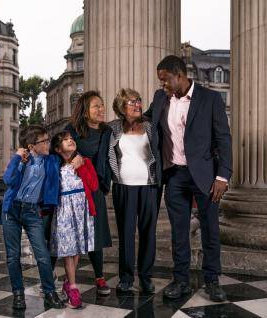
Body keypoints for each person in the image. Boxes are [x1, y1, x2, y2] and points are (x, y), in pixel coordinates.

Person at [144, 55, 232, 302]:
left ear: (179, 75)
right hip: (174, 175)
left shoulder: (210, 99)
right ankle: (180, 280)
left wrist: (223, 175)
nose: (162, 86)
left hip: (205, 175)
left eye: (165, 80)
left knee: (210, 229)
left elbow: (224, 139)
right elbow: (146, 119)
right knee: (179, 231)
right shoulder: (161, 98)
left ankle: (212, 280)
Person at [2, 124, 65, 310]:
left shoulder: (51, 160)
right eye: (44, 141)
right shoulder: (23, 160)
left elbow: (67, 155)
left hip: (32, 211)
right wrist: (17, 159)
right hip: (11, 210)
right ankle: (18, 294)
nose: (48, 143)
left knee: (43, 255)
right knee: (13, 256)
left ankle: (50, 293)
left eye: (47, 139)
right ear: (31, 146)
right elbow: (8, 180)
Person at [108, 88, 160, 294]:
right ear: (122, 107)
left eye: (138, 100)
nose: (138, 104)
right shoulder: (112, 128)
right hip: (123, 187)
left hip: (149, 186)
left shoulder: (149, 127)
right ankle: (126, 278)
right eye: (132, 102)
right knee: (126, 234)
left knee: (149, 234)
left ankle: (146, 278)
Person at [64, 91, 113, 295]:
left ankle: (99, 276)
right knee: (72, 231)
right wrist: (74, 159)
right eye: (96, 106)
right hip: (75, 186)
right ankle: (69, 279)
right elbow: (61, 151)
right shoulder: (71, 129)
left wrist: (103, 183)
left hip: (95, 185)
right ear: (85, 112)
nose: (101, 109)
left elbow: (105, 158)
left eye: (102, 106)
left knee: (96, 232)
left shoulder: (107, 131)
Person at [50, 131, 98, 309]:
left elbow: (93, 185)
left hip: (82, 211)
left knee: (77, 248)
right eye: (64, 140)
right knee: (68, 249)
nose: (70, 140)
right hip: (64, 211)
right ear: (57, 148)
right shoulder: (55, 167)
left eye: (71, 138)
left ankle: (67, 282)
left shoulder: (85, 162)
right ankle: (72, 287)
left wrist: (81, 167)